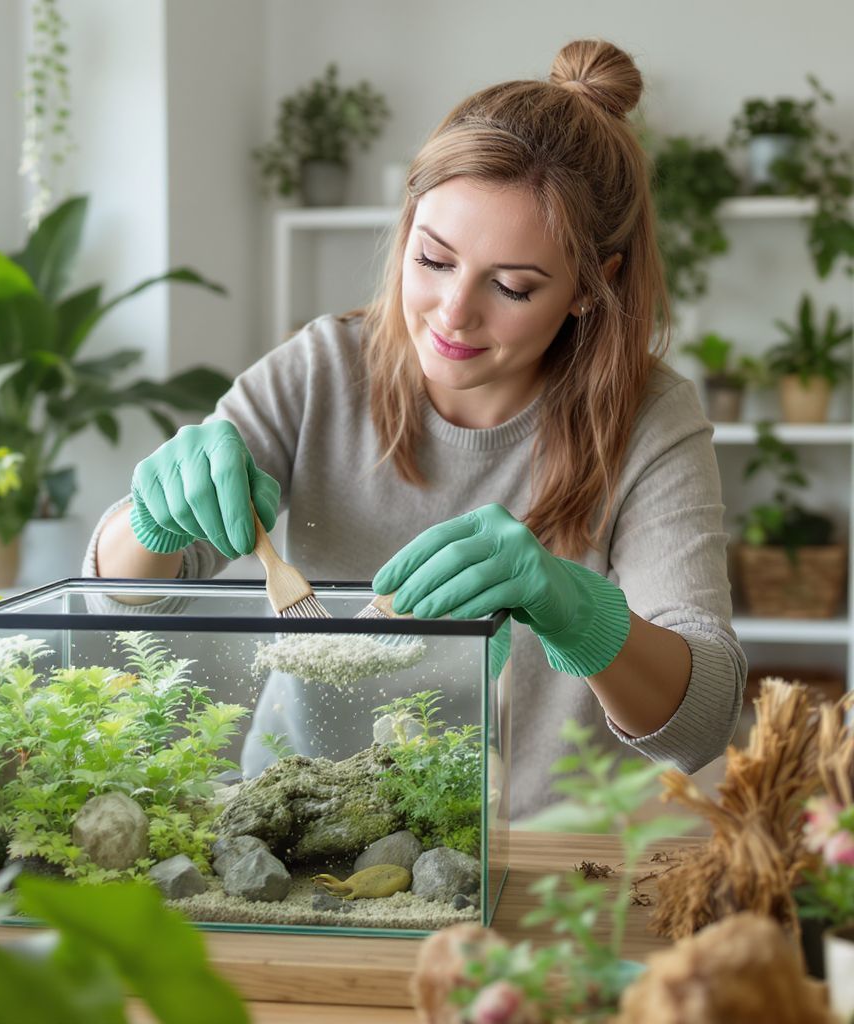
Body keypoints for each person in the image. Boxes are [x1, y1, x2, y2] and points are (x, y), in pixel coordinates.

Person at [85, 39, 746, 814]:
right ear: (408, 226)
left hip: (537, 854)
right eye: (434, 260)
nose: (454, 313)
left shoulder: (650, 421)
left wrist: (581, 615)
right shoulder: (320, 370)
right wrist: (152, 519)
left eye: (511, 285)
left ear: (590, 286)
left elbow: (702, 722)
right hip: (299, 828)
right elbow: (115, 605)